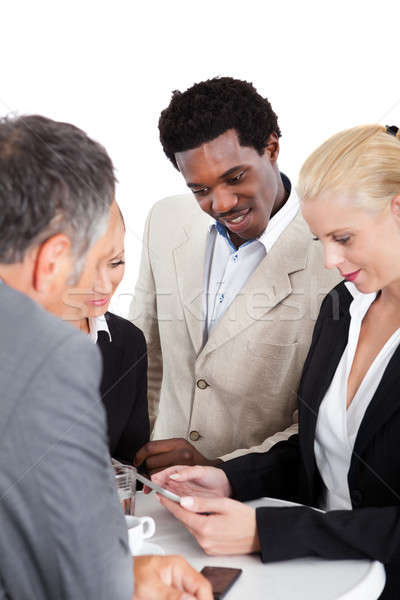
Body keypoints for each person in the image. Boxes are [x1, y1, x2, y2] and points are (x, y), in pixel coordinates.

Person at [152, 124, 400, 599]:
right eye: (321, 239)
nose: (329, 259)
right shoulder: (345, 307)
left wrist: (269, 531)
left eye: (344, 238)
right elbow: (320, 456)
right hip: (320, 582)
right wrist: (227, 477)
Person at [0, 114, 211, 600]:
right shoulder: (51, 358)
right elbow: (84, 576)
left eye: (116, 261)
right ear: (52, 259)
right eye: (90, 261)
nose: (102, 285)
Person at [132, 76, 339, 473]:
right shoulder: (165, 219)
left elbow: (320, 423)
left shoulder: (335, 259)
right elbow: (147, 357)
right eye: (200, 189)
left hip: (260, 504)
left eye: (235, 177)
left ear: (272, 148)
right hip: (156, 490)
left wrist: (223, 469)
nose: (222, 203)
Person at [62, 201, 150, 463]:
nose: (102, 286)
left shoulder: (128, 341)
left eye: (116, 262)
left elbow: (128, 469)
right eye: (84, 268)